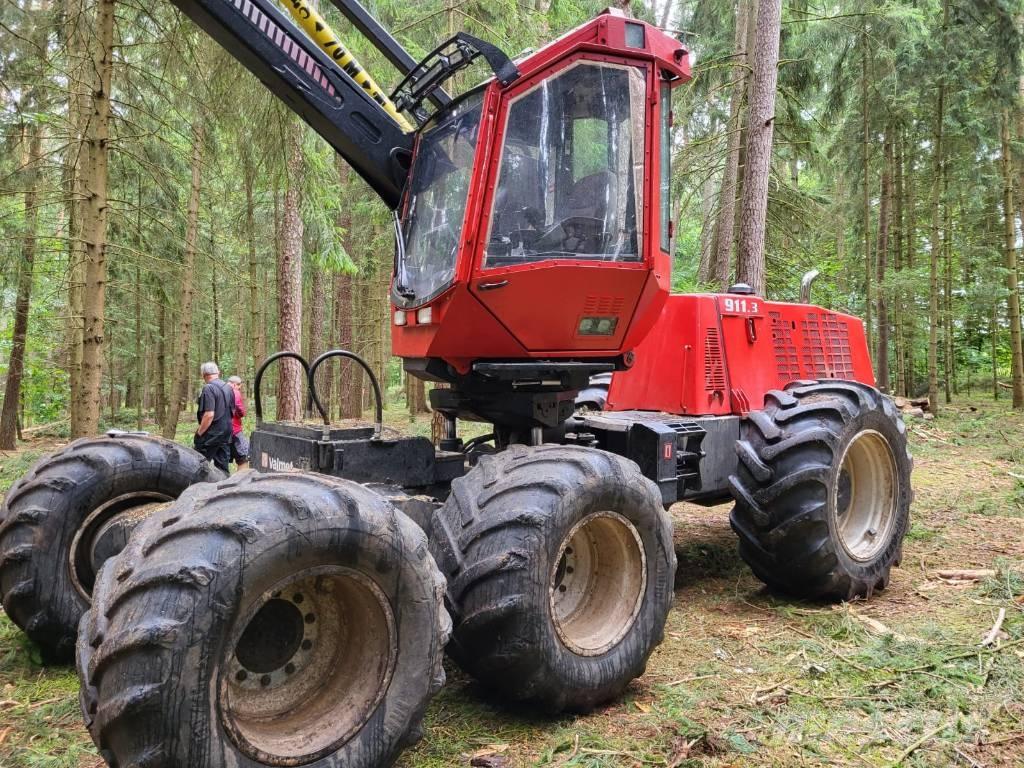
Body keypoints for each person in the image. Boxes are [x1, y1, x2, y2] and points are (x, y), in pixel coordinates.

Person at [193, 362, 234, 473]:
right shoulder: (229, 388)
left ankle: (196, 488)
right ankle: (224, 487)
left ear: (204, 374)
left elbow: (209, 414)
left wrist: (200, 432)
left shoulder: (208, 388)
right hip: (227, 431)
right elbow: (232, 411)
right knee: (222, 468)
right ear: (218, 372)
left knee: (198, 464)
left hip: (213, 432)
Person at [227, 375, 250, 470]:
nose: (239, 389)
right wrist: (242, 413)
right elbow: (239, 408)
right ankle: (242, 481)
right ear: (235, 384)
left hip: (220, 430)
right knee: (243, 457)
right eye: (239, 387)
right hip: (234, 429)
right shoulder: (234, 392)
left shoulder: (219, 389)